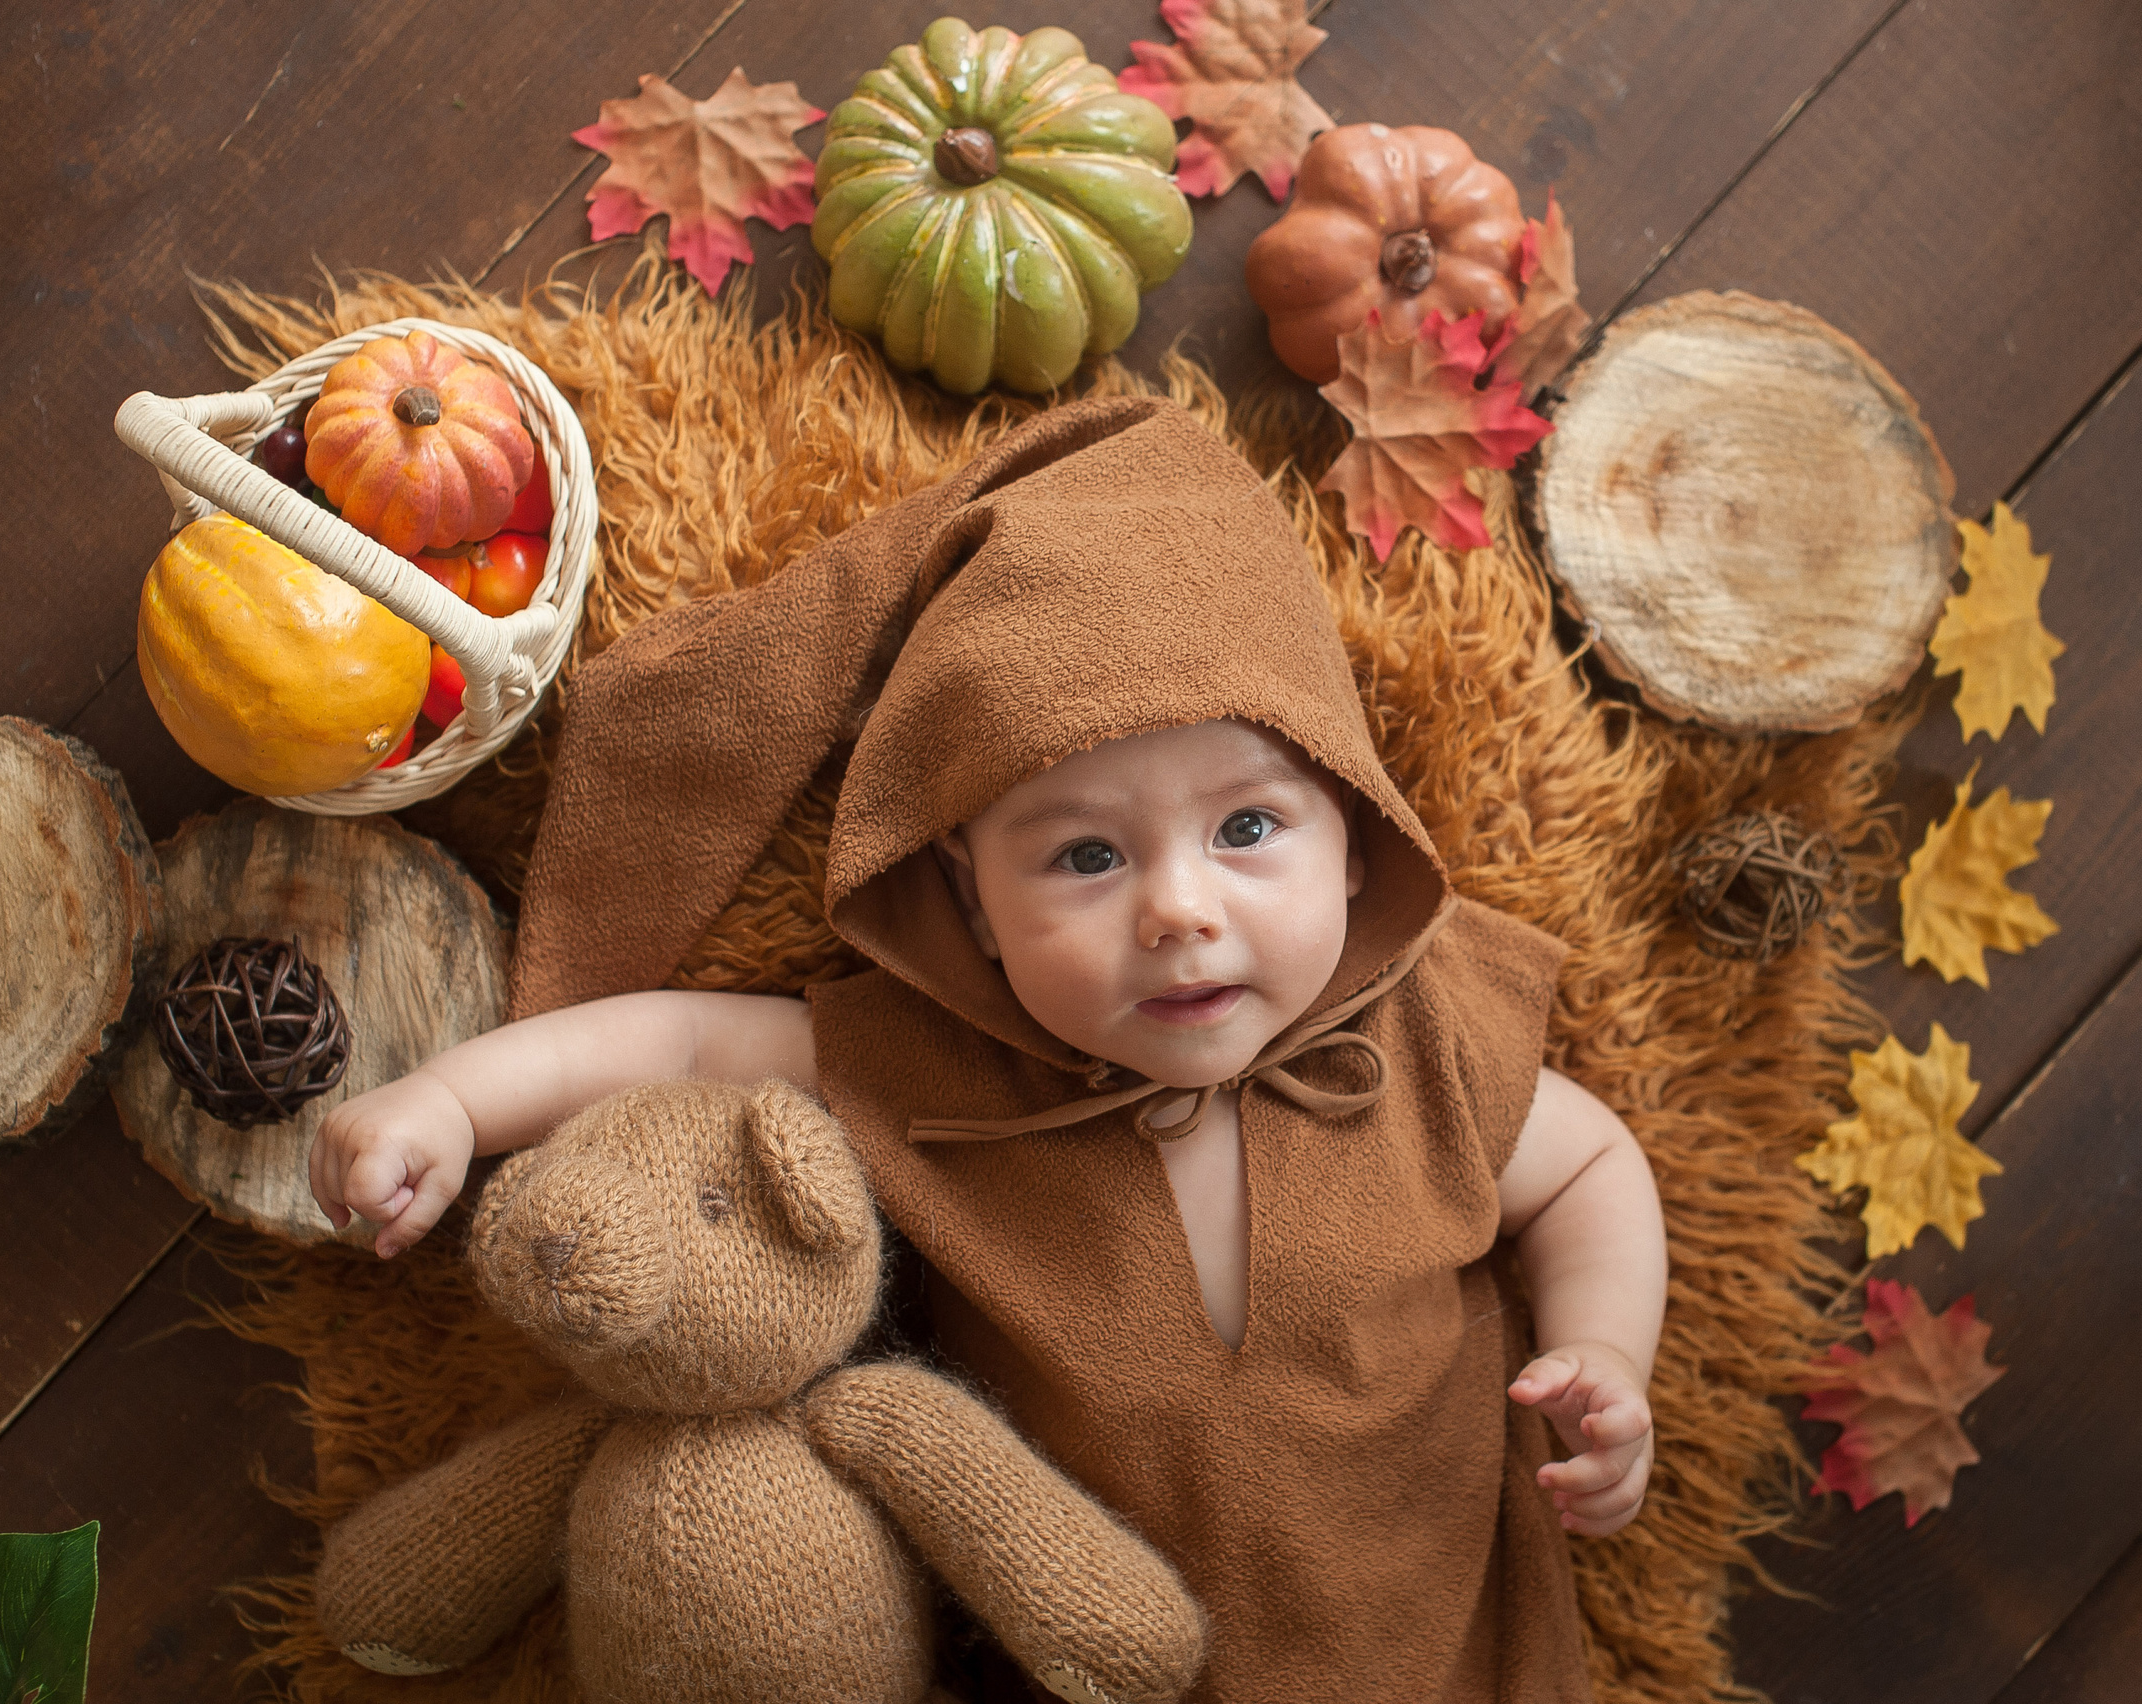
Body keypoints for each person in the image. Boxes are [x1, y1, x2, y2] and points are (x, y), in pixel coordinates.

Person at [310, 396, 1665, 1703]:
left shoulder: (1420, 1040)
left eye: (1249, 829)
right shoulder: (936, 1068)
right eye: (1085, 855)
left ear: (1355, 834)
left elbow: (1590, 1166)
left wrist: (1606, 1358)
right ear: (966, 896)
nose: (1180, 909)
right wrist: (446, 1107)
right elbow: (680, 1039)